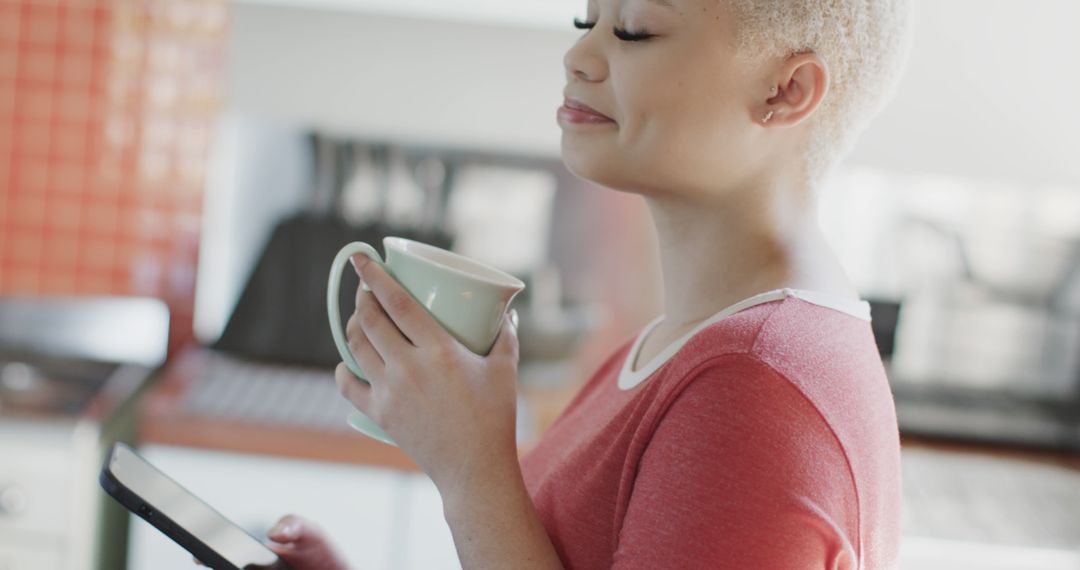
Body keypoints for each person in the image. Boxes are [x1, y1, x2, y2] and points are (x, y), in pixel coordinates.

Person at [259, 0, 914, 568]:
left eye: (633, 30)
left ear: (786, 91)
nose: (578, 54)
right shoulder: (685, 345)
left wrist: (471, 472)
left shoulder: (755, 384)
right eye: (587, 19)